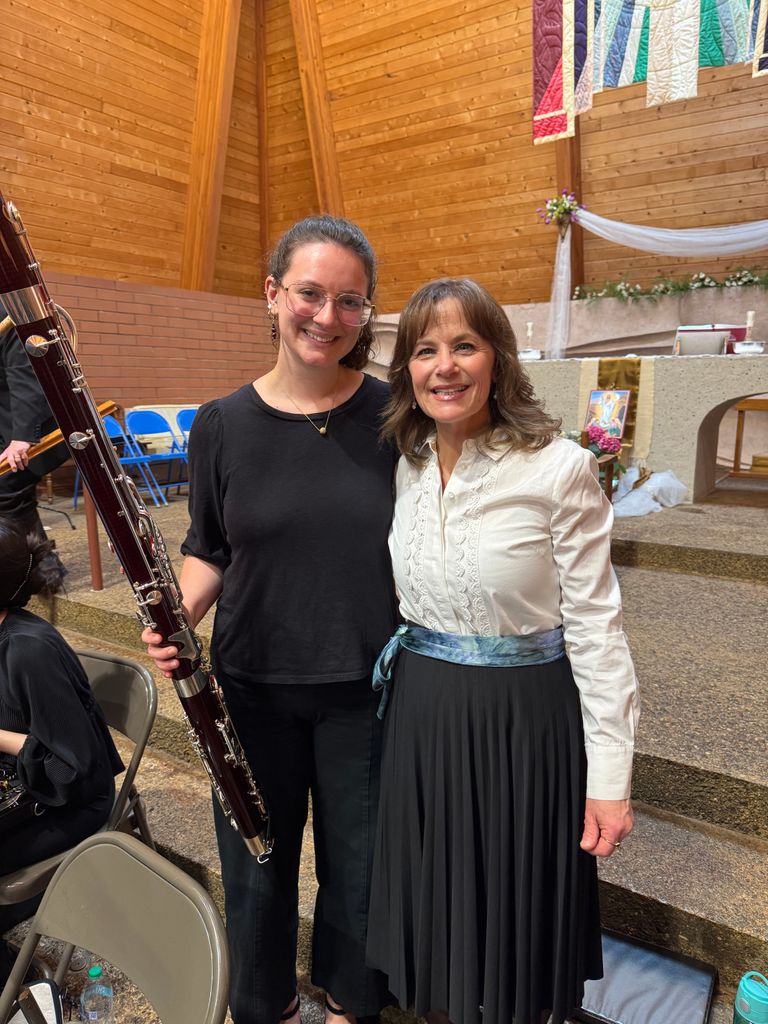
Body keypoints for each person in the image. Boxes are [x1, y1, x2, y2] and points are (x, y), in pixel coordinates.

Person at [141, 216, 399, 1024]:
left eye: (349, 301)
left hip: (371, 687)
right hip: (251, 687)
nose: (327, 317)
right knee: (256, 866)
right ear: (272, 294)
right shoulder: (222, 424)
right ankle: (267, 1003)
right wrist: (178, 616)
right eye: (310, 294)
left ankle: (352, 998)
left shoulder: (399, 417)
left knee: (362, 869)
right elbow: (209, 545)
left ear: (367, 311)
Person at [366, 278, 640, 1024]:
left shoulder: (558, 469)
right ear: (407, 370)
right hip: (423, 714)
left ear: (497, 359)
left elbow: (595, 627)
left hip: (524, 722)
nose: (444, 366)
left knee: (515, 912)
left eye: (464, 345)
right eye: (425, 349)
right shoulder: (409, 462)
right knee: (439, 904)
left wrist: (610, 775)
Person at [0, 519, 123, 983]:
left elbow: (71, 767)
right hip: (21, 783)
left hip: (68, 801)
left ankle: (26, 989)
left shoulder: (29, 652)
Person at [0, 307, 59, 540]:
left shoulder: (8, 311)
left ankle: (34, 570)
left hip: (29, 429)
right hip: (6, 424)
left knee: (6, 492)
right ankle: (39, 569)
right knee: (15, 501)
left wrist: (22, 438)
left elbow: (23, 374)